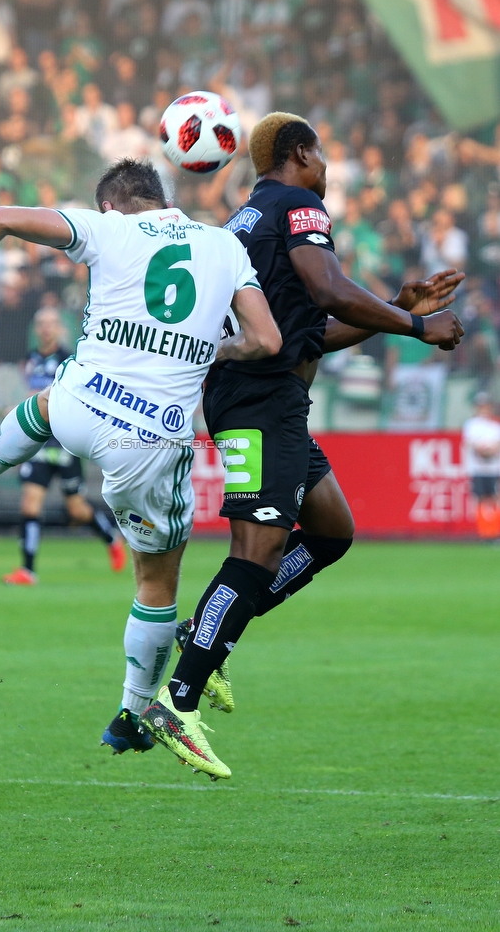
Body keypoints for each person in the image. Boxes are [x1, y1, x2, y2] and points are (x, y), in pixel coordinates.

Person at [0, 158, 282, 778]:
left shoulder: (106, 230)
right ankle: (130, 715)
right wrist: (205, 349)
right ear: (160, 197)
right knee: (155, 583)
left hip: (84, 404)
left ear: (111, 205)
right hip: (152, 435)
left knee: (40, 408)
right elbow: (267, 341)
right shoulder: (224, 245)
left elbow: (1, 217)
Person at [139, 112, 465, 779]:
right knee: (256, 552)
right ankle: (177, 698)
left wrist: (390, 309)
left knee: (329, 532)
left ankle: (206, 633)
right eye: (321, 153)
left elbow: (306, 328)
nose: (327, 167)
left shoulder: (245, 219)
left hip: (266, 397)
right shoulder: (298, 207)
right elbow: (326, 290)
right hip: (260, 402)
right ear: (298, 153)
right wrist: (414, 324)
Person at [2, 305, 126, 584]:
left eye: (51, 323)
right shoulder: (30, 360)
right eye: (42, 323)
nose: (46, 328)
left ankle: (111, 538)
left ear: (59, 328)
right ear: (36, 329)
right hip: (39, 442)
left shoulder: (68, 359)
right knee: (30, 503)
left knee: (76, 509)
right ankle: (28, 570)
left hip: (65, 443)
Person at [462, 393, 500, 541]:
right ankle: (485, 532)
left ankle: (495, 531)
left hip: (494, 469)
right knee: (481, 499)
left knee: (494, 499)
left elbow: (497, 445)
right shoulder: (472, 425)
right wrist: (485, 451)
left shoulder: (495, 426)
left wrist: (490, 451)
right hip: (478, 469)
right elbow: (472, 445)